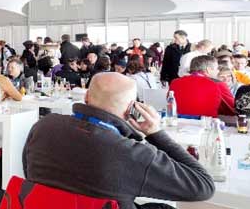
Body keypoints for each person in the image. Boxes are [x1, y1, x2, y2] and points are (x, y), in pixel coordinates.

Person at [23, 72, 215, 209]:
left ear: (87, 96)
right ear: (132, 108)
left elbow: (28, 172)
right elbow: (203, 186)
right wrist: (156, 133)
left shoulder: (43, 126)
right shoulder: (132, 154)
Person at [169, 55, 236, 117]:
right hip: (205, 123)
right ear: (208, 69)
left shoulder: (175, 82)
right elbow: (233, 109)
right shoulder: (217, 84)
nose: (218, 71)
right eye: (216, 68)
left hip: (177, 122)